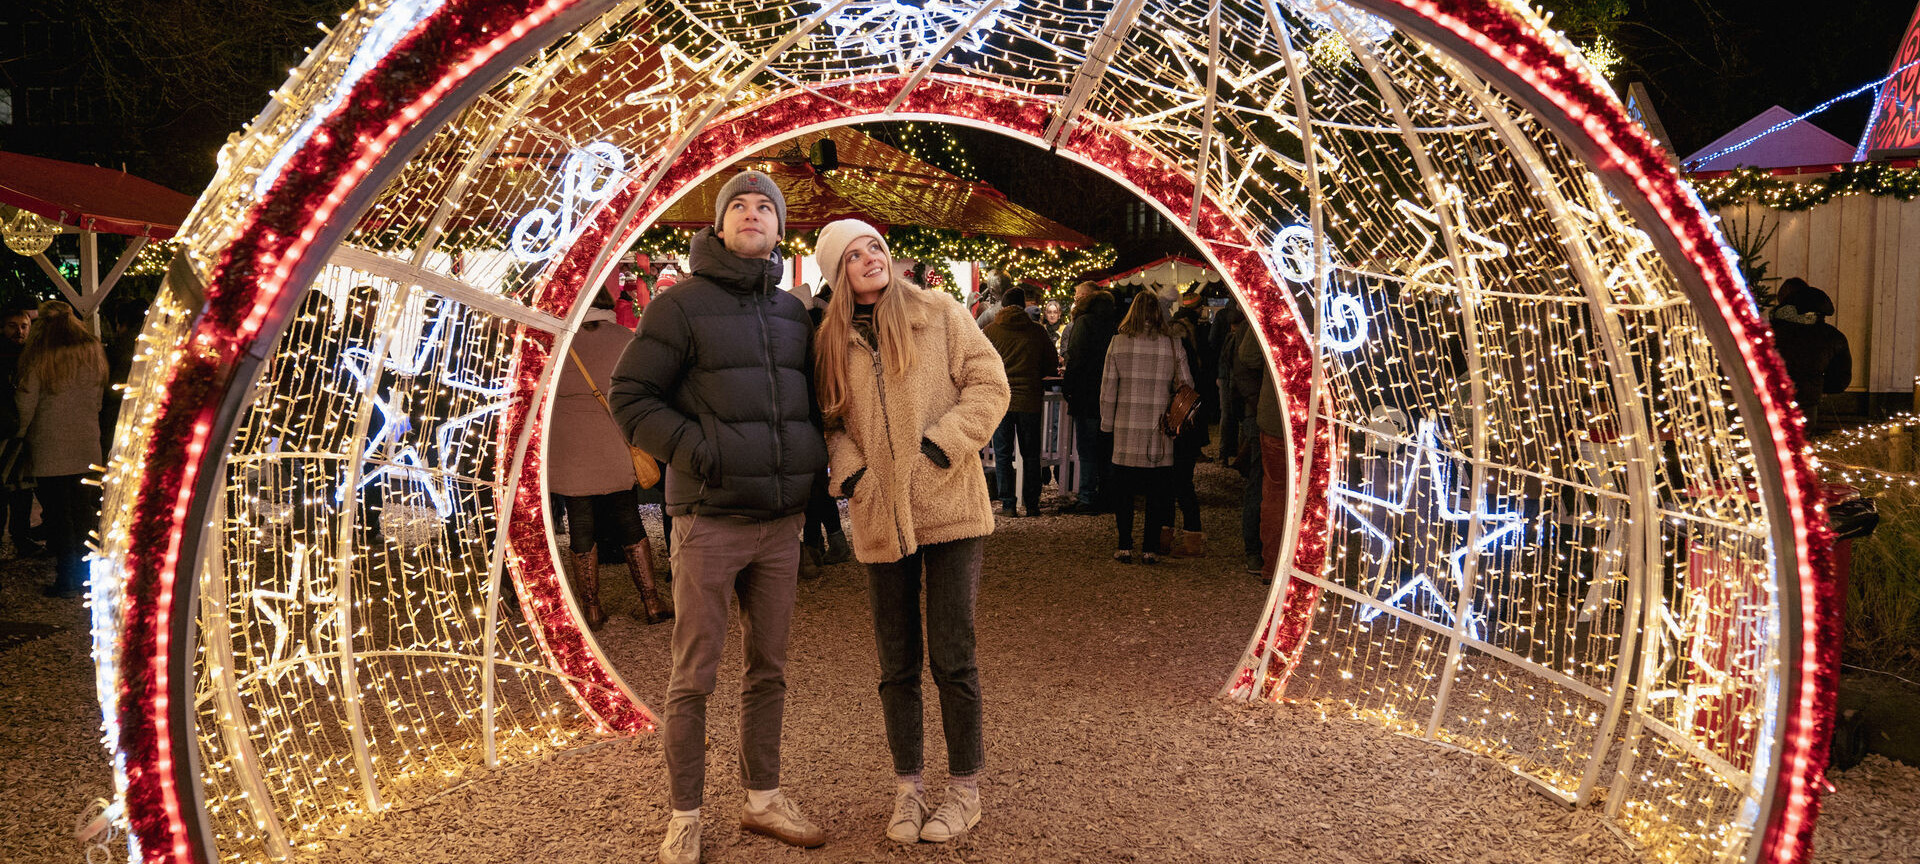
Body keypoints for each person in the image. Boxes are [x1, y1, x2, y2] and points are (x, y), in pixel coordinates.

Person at [608, 169, 830, 864]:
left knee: (769, 667)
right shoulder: (679, 307)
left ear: (779, 227)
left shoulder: (793, 314)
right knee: (694, 673)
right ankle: (685, 814)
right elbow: (631, 395)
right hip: (708, 516)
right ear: (720, 222)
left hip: (780, 522)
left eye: (766, 206)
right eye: (739, 204)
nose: (752, 213)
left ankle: (762, 799)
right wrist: (700, 452)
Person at [811, 218, 1010, 845]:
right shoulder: (830, 340)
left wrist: (940, 446)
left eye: (875, 246)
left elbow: (990, 385)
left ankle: (964, 790)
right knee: (896, 662)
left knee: (953, 655)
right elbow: (830, 423)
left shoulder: (940, 312)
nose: (870, 257)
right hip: (878, 511)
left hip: (948, 502)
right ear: (835, 272)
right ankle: (907, 789)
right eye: (853, 254)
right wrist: (853, 475)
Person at [552, 283, 671, 627]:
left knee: (580, 523)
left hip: (570, 446)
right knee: (628, 516)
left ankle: (591, 609)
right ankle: (650, 602)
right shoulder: (624, 339)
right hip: (617, 441)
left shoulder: (561, 343)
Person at [16, 300, 106, 597]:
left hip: (49, 444)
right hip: (86, 442)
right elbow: (97, 399)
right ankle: (89, 575)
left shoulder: (39, 355)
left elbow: (26, 403)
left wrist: (18, 434)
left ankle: (66, 578)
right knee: (85, 513)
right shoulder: (91, 349)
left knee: (57, 514)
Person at [1100, 292, 1191, 563]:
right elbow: (1187, 385)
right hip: (1159, 429)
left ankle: (1124, 544)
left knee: (1124, 492)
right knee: (1157, 494)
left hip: (1125, 427)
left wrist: (1106, 424)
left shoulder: (1118, 343)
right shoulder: (1172, 345)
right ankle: (1150, 548)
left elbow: (1108, 389)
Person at [982, 286, 1059, 517]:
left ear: (1003, 306)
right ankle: (1032, 503)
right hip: (1029, 401)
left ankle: (1008, 504)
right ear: (1024, 305)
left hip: (1001, 400)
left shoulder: (990, 331)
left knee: (1003, 454)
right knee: (1031, 453)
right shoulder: (1037, 331)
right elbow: (1050, 365)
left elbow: (981, 364)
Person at [1060, 283, 1117, 514]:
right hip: (1109, 396)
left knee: (1087, 450)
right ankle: (1107, 495)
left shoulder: (1083, 323)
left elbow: (1076, 358)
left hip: (1086, 394)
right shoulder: (1114, 325)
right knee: (1106, 449)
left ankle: (1087, 496)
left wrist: (1069, 387)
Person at [1769, 277, 1851, 429]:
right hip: (1807, 403)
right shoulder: (1832, 337)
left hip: (1769, 400)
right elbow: (1840, 380)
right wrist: (1816, 385)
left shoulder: (1769, 332)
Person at [1164, 294, 1210, 556]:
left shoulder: (1179, 356)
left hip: (1179, 425)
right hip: (1192, 426)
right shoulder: (1197, 352)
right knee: (1183, 483)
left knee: (1174, 483)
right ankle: (1190, 537)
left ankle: (1168, 535)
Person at [0, 307, 42, 559]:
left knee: (23, 487)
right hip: (7, 431)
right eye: (13, 325)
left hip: (25, 431)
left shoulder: (33, 357)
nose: (19, 331)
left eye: (24, 326)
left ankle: (21, 536)